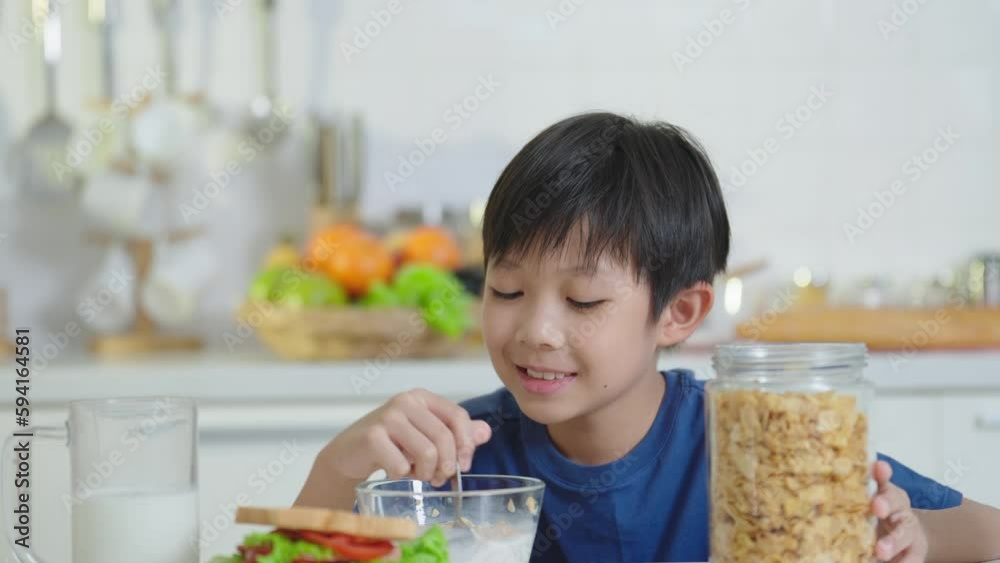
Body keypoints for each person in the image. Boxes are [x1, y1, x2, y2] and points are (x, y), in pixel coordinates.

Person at [296, 112, 1000, 562]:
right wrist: (337, 470)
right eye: (507, 290)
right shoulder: (452, 457)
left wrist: (921, 537)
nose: (536, 330)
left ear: (680, 313)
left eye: (583, 299)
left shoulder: (753, 442)